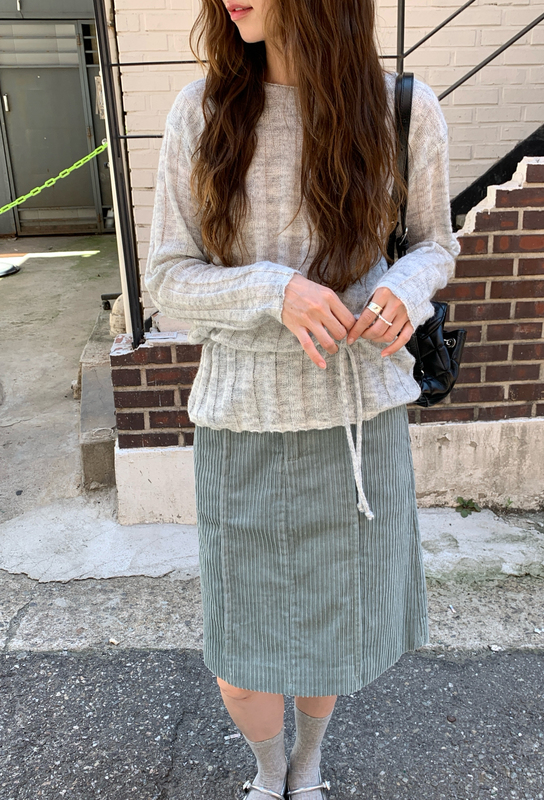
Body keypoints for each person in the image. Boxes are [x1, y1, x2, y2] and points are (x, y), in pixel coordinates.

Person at [144, 0, 460, 796]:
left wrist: (403, 289)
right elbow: (167, 278)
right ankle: (267, 772)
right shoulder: (202, 112)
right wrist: (272, 289)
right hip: (242, 425)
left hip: (357, 422)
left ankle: (307, 766)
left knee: (334, 638)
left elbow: (434, 244)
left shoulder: (401, 110)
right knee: (241, 655)